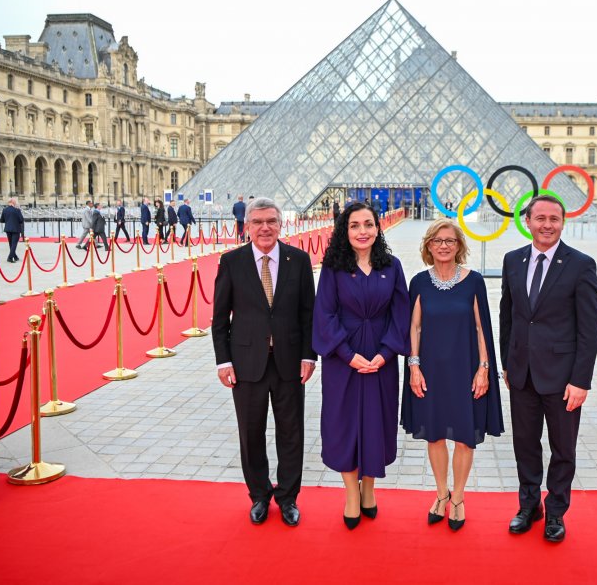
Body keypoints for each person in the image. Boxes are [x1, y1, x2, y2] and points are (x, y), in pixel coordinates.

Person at [499, 195, 597, 543]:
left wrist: (581, 380)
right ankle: (529, 505)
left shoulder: (581, 264)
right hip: (522, 375)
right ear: (527, 220)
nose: (547, 224)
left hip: (563, 378)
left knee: (563, 449)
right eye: (540, 217)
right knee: (525, 445)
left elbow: (590, 328)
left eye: (554, 219)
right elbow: (508, 316)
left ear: (563, 222)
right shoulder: (513, 260)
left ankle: (556, 511)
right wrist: (507, 365)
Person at [212, 197, 316, 527]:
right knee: (251, 433)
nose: (265, 227)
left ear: (281, 224)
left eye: (271, 220)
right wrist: (223, 361)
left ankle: (288, 498)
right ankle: (259, 495)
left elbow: (307, 313)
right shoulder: (232, 261)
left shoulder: (298, 260)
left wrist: (308, 355)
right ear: (247, 227)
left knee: (291, 434)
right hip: (246, 364)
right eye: (257, 222)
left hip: (289, 363)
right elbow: (219, 320)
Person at [312, 202, 410, 530]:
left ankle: (368, 489)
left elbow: (402, 314)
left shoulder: (392, 266)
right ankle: (350, 495)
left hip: (381, 359)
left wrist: (386, 353)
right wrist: (345, 353)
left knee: (376, 423)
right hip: (344, 359)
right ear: (345, 230)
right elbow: (324, 313)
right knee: (343, 424)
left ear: (378, 227)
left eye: (368, 224)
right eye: (355, 225)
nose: (362, 231)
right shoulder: (333, 267)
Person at [401, 219, 503, 531]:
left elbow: (481, 326)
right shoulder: (418, 282)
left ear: (459, 246)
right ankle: (441, 494)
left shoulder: (473, 281)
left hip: (465, 369)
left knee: (463, 436)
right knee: (433, 435)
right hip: (430, 370)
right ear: (428, 246)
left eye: (450, 241)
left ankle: (458, 498)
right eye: (437, 240)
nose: (443, 245)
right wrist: (414, 366)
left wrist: (483, 369)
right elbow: (413, 326)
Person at [0, 197, 25, 263]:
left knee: (11, 244)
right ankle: (10, 257)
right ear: (14, 203)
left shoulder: (4, 210)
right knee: (14, 244)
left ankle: (15, 256)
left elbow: (2, 220)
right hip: (16, 229)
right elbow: (21, 220)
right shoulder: (17, 210)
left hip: (8, 229)